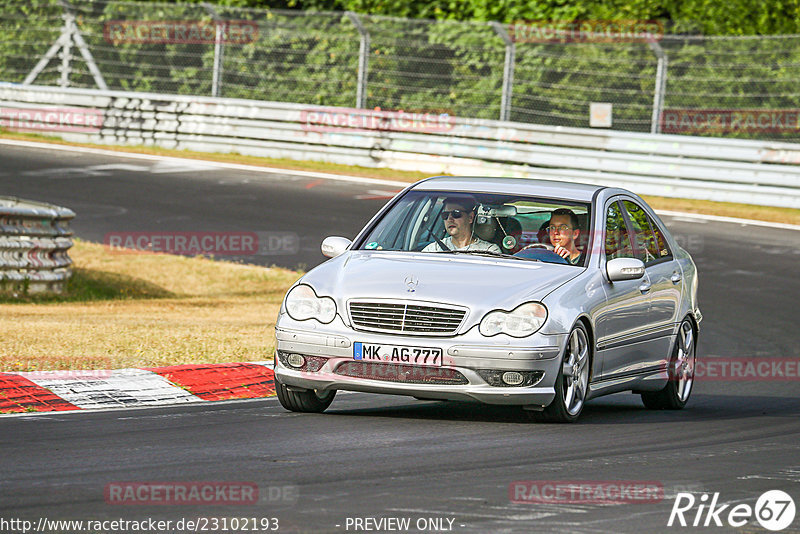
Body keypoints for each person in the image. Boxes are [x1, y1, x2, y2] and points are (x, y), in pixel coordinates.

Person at [422, 196, 501, 253]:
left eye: (456, 214)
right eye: (445, 215)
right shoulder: (433, 250)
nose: (449, 219)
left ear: (470, 217)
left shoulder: (489, 251)